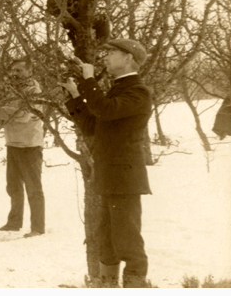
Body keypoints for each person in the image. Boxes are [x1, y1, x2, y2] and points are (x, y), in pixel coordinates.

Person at [62, 38, 152, 288]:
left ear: (128, 58)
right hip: (110, 175)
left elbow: (104, 111)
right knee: (107, 240)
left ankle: (136, 286)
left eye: (112, 52)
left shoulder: (138, 92)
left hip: (125, 176)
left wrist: (89, 81)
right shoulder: (117, 91)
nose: (106, 57)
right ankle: (107, 285)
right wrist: (74, 95)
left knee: (127, 239)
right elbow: (93, 126)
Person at [0, 59, 45, 237]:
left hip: (30, 145)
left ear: (30, 72)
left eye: (20, 70)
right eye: (13, 70)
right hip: (13, 143)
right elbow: (1, 116)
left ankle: (38, 228)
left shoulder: (34, 91)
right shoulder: (12, 90)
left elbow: (24, 116)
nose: (15, 73)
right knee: (13, 186)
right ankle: (14, 222)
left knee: (33, 188)